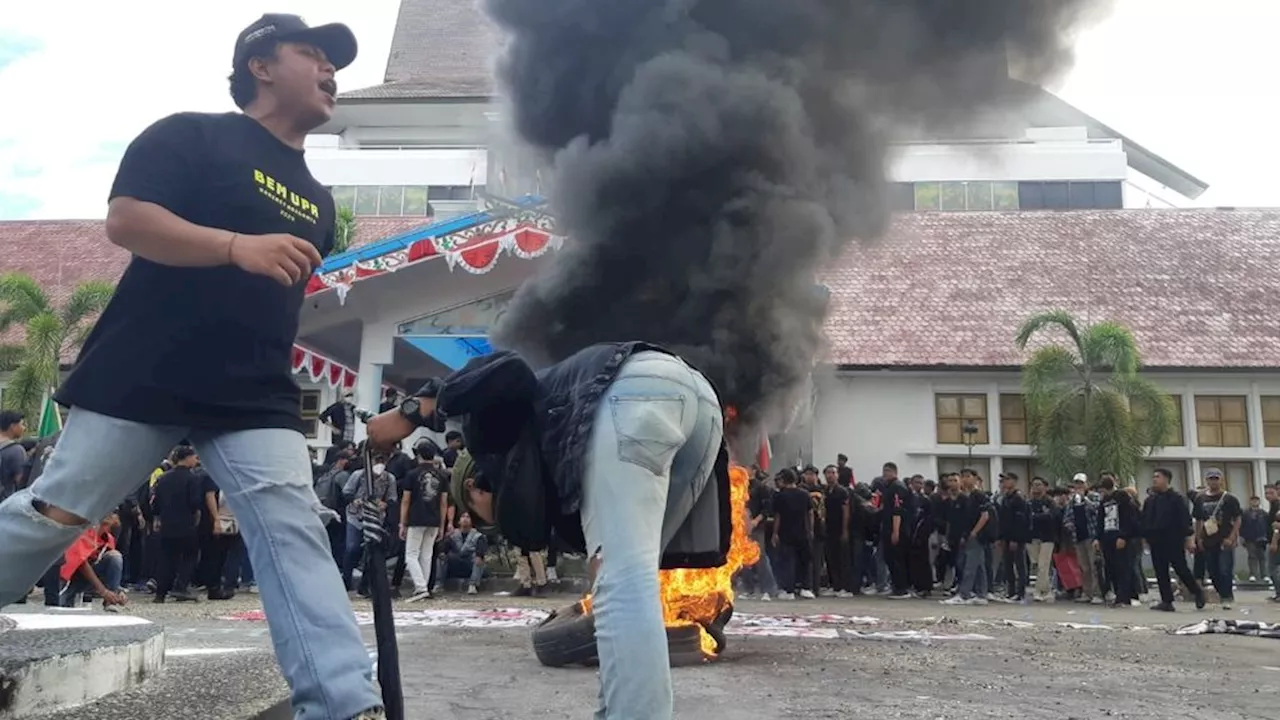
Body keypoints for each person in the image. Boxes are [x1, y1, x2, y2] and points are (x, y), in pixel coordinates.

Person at [0, 14, 384, 720]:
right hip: (146, 369)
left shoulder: (321, 201)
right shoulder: (190, 135)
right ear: (260, 66)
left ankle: (340, 702)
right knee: (56, 512)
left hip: (254, 390)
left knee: (289, 520)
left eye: (335, 61)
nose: (331, 70)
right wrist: (237, 246)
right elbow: (127, 221)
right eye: (313, 53)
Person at [365, 343, 731, 720]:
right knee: (624, 583)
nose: (487, 524)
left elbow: (508, 369)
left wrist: (416, 411)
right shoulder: (549, 461)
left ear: (474, 488)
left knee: (623, 583)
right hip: (700, 404)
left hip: (635, 393)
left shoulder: (491, 441)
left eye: (478, 515)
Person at [1141, 467, 1204, 612]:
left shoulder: (1176, 498)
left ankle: (1196, 591)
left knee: (1180, 567)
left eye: (1158, 476)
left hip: (1173, 538)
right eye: (1153, 477)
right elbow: (1145, 519)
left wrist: (1189, 538)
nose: (1154, 479)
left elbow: (1185, 520)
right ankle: (1166, 601)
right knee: (1160, 570)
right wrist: (1145, 537)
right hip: (1156, 539)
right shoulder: (1150, 500)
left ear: (1166, 479)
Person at [1192, 468, 1242, 610]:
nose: (1213, 481)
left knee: (1225, 568)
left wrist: (1232, 536)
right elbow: (1199, 520)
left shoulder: (1229, 498)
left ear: (1221, 480)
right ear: (1206, 480)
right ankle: (1221, 592)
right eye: (1211, 478)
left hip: (1224, 538)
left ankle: (1227, 596)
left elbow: (1237, 518)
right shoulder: (1200, 498)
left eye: (1216, 478)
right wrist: (1198, 538)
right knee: (1212, 570)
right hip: (1208, 539)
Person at [59, 511, 127, 611]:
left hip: (88, 579)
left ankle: (111, 601)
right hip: (70, 577)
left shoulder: (108, 539)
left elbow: (111, 570)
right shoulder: (85, 531)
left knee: (115, 557)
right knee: (59, 607)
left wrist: (117, 591)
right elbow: (81, 563)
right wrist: (103, 591)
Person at [434, 511, 489, 595]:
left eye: (468, 517)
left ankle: (473, 585)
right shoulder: (453, 535)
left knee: (478, 558)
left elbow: (480, 550)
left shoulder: (478, 536)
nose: (465, 519)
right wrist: (445, 542)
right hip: (455, 563)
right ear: (459, 521)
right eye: (463, 517)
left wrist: (479, 556)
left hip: (470, 565)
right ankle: (438, 585)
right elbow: (443, 548)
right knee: (441, 558)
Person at [0, 410, 27, 501]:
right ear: (12, 426)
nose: (24, 428)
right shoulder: (16, 450)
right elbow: (22, 482)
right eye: (21, 424)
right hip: (4, 505)